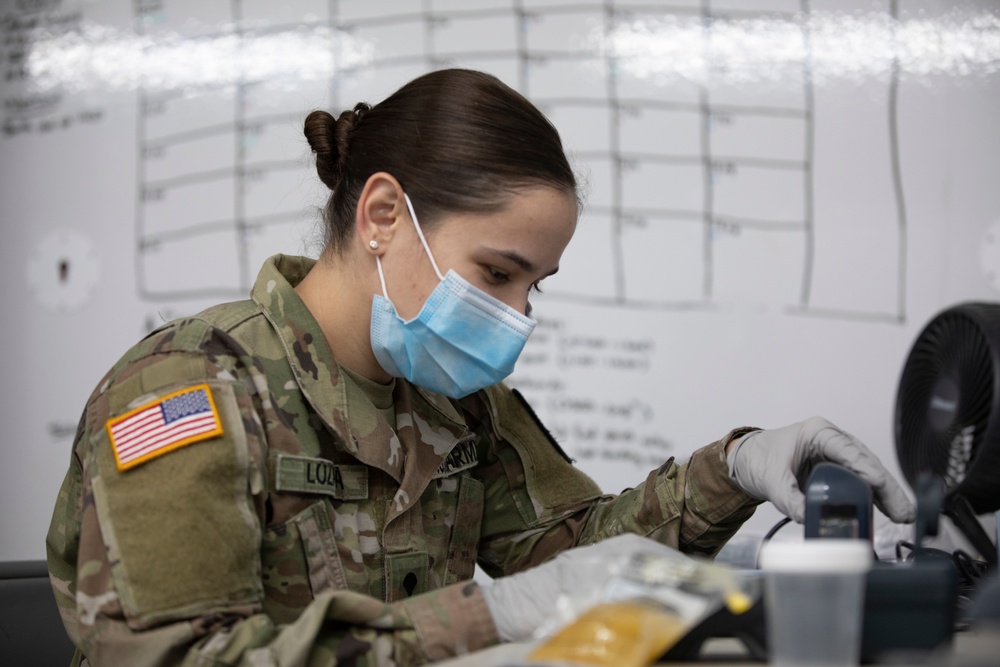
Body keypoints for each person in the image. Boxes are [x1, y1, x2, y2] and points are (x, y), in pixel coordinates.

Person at [46, 68, 914, 666]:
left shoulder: (455, 400)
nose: (516, 315)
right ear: (382, 213)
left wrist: (733, 468)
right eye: (498, 273)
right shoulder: (188, 390)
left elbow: (574, 554)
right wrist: (487, 613)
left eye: (535, 285)